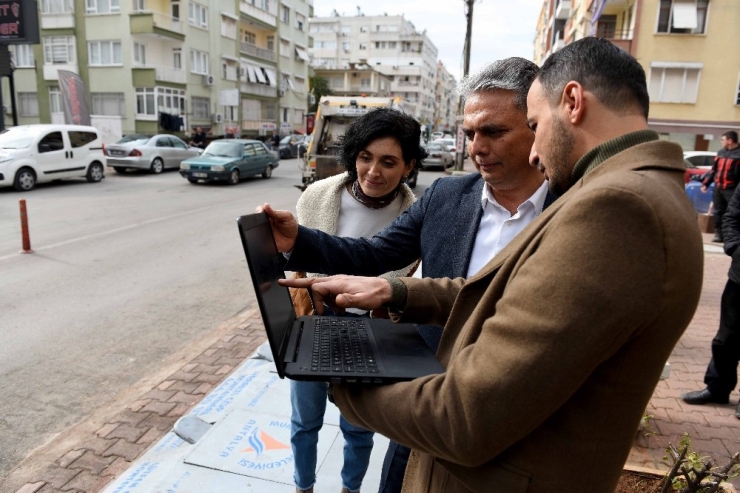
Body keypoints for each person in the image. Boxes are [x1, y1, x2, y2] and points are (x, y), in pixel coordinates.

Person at [279, 37, 704, 492]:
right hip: (433, 422)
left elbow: (466, 415)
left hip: (490, 461)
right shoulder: (631, 194)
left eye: (530, 126)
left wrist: (337, 372)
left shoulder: (611, 207)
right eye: (469, 134)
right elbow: (498, 289)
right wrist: (395, 290)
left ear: (573, 102)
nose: (480, 148)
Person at [260, 57, 556, 493]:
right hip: (428, 390)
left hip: (509, 413)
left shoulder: (569, 208)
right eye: (470, 133)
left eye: (494, 131)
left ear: (536, 125)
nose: (477, 147)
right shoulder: (447, 196)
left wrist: (390, 293)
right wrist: (296, 240)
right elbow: (373, 253)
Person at [289, 107, 424, 493]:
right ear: (353, 156)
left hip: (371, 333)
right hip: (315, 325)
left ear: (408, 165)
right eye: (365, 157)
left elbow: (407, 282)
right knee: (304, 422)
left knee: (359, 427)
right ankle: (303, 487)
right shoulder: (317, 197)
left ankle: (351, 489)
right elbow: (298, 269)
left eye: (388, 161)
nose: (373, 172)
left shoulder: (415, 216)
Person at [682, 184, 740, 416]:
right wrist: (735, 248)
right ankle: (717, 387)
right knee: (726, 338)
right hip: (739, 277)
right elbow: (732, 217)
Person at [701, 131, 740, 243]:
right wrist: (706, 183)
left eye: (723, 139)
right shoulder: (721, 153)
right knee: (718, 212)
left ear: (730, 140)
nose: (721, 142)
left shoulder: (738, 154)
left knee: (733, 213)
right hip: (719, 188)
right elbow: (714, 170)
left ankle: (733, 236)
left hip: (733, 189)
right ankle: (719, 234)